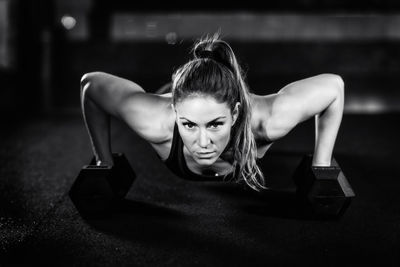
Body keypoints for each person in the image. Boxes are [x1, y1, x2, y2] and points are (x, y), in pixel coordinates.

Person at [80, 34, 344, 192]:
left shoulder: (267, 121)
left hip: (225, 98)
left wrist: (321, 167)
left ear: (235, 113)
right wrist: (104, 163)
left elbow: (334, 86)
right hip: (175, 93)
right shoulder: (153, 119)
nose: (203, 143)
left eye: (215, 125)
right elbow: (90, 84)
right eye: (190, 126)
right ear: (174, 113)